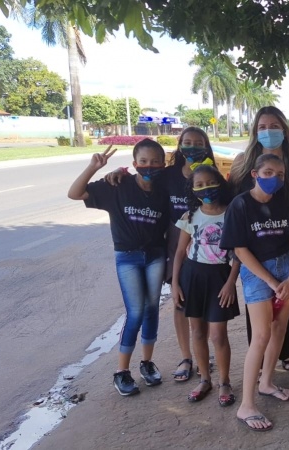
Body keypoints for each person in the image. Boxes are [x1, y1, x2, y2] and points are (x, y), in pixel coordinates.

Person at [106, 127, 218, 383]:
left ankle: (204, 355)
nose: (192, 147)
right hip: (175, 248)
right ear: (180, 146)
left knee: (202, 305)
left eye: (198, 143)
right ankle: (186, 357)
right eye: (187, 142)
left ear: (206, 146)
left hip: (206, 248)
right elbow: (143, 179)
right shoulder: (167, 176)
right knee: (180, 302)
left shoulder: (211, 175)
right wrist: (120, 171)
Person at [68, 140, 170, 396]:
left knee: (151, 309)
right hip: (128, 258)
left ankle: (147, 363)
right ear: (134, 164)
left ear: (163, 164)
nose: (149, 166)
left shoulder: (164, 189)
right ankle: (121, 371)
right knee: (135, 312)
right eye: (143, 162)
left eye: (155, 162)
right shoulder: (117, 185)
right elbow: (75, 193)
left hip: (156, 256)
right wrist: (94, 168)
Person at [220, 154, 289, 432]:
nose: (275, 178)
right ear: (255, 174)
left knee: (279, 328)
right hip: (257, 273)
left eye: (280, 174)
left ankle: (266, 382)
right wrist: (270, 281)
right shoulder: (240, 205)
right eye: (268, 172)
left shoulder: (284, 204)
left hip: (285, 269)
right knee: (261, 335)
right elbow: (240, 250)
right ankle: (246, 405)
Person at [229, 106, 289, 370]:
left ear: (285, 130)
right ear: (255, 132)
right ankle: (263, 363)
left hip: (285, 243)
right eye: (262, 127)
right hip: (251, 247)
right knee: (259, 307)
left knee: (281, 300)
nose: (268, 131)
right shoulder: (243, 161)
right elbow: (226, 196)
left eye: (274, 126)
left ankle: (281, 352)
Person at [171, 165, 240, 406]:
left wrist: (231, 282)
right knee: (197, 331)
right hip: (192, 276)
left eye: (210, 183)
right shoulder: (190, 216)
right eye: (199, 185)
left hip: (220, 277)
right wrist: (175, 284)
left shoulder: (232, 214)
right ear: (192, 189)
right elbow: (180, 252)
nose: (205, 189)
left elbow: (238, 254)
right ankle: (204, 379)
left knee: (218, 335)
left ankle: (224, 382)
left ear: (220, 183)